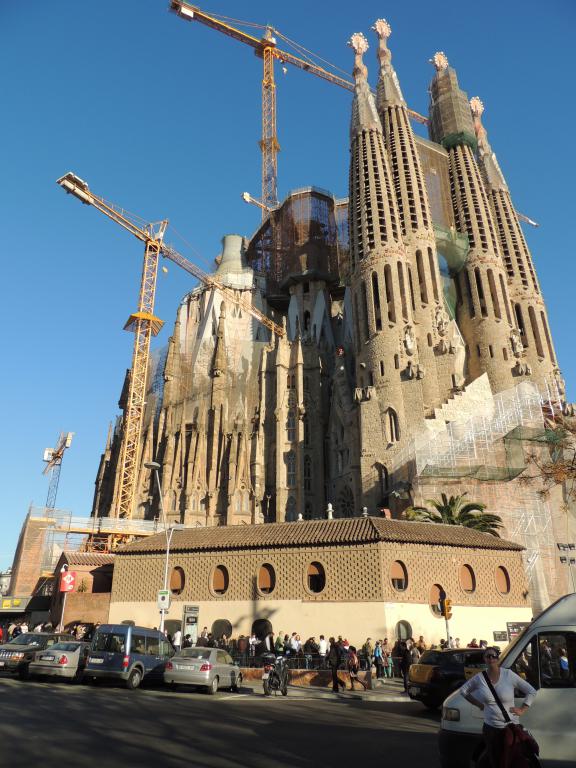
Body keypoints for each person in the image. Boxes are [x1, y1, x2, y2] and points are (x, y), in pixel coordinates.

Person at [460, 647, 537, 768]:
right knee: (495, 762)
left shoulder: (508, 675)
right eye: (488, 656)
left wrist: (522, 709)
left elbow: (531, 691)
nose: (491, 658)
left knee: (513, 761)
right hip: (491, 729)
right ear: (484, 659)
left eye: (493, 656)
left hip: (510, 728)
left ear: (498, 658)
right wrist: (479, 705)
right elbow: (463, 691)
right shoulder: (480, 678)